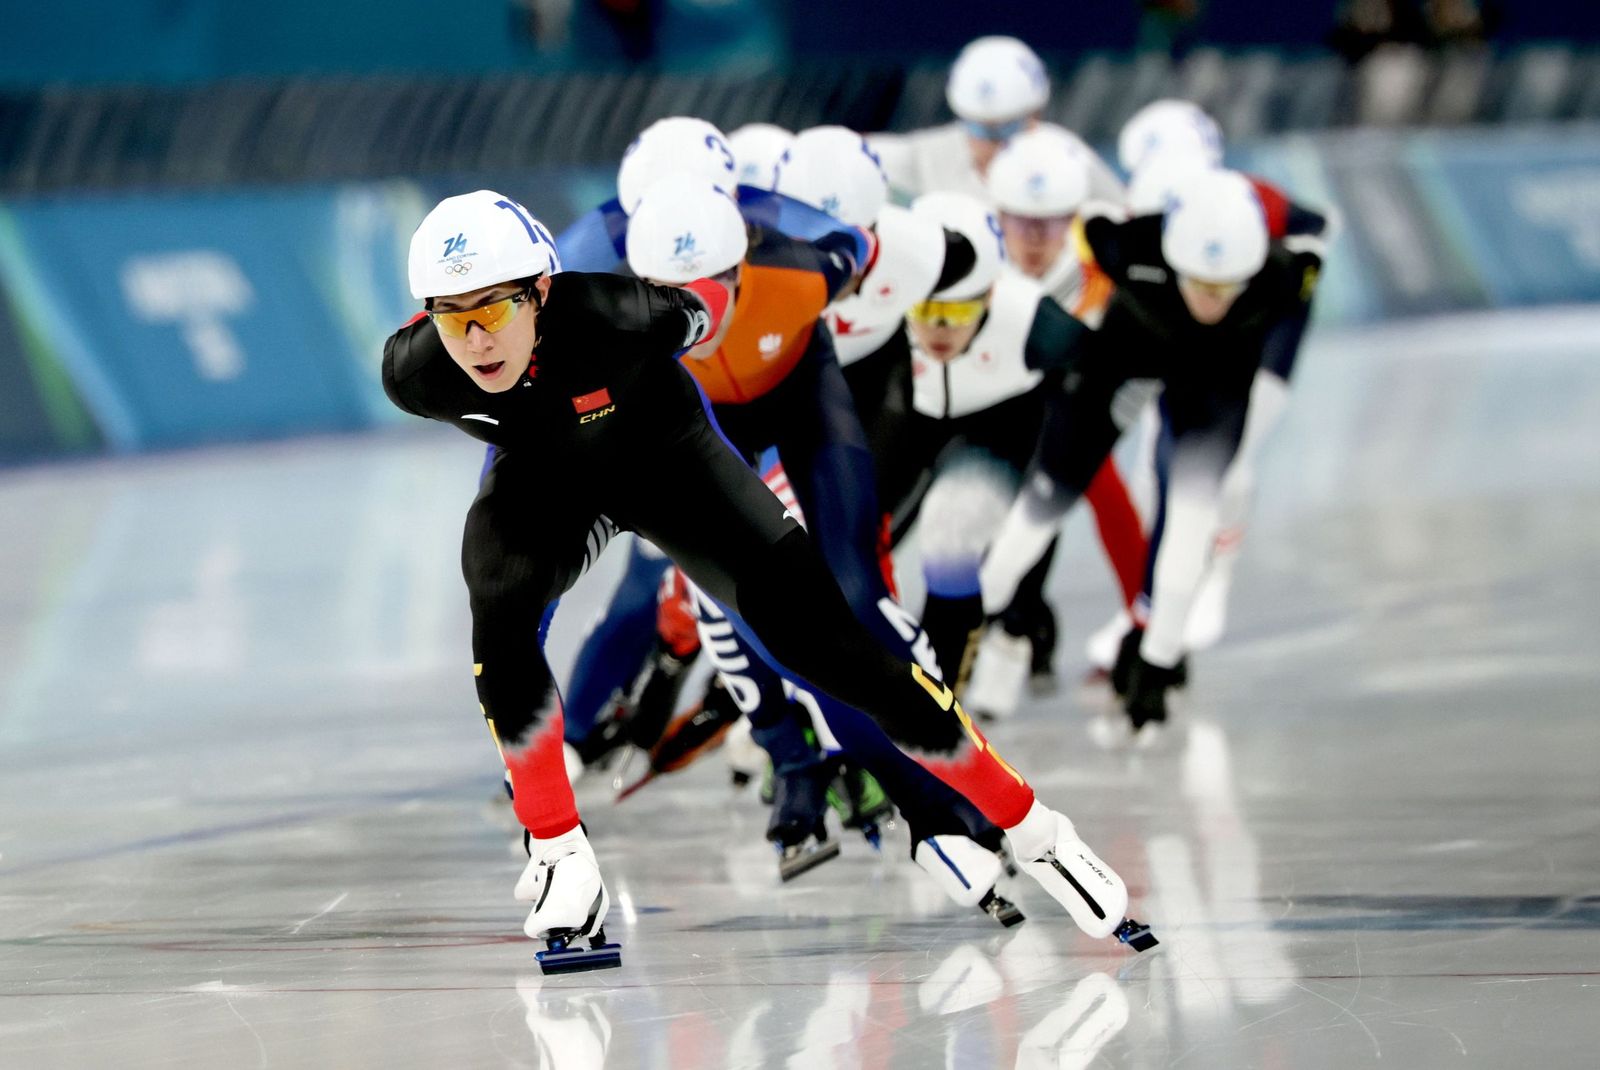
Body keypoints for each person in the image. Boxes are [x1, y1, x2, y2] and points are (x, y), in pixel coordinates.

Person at [384, 188, 1156, 971]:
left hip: (673, 472)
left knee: (841, 652)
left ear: (542, 292)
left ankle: (1035, 830)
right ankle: (558, 851)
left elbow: (712, 299)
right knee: (498, 607)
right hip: (546, 483)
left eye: (493, 310)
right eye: (453, 316)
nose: (476, 339)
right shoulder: (415, 374)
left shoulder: (624, 315)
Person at [979, 170, 1323, 744]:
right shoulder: (1131, 243)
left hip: (1211, 391)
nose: (1211, 301)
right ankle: (961, 634)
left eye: (1226, 287)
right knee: (1034, 516)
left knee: (1190, 530)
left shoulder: (1279, 275)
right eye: (1199, 284)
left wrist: (1159, 657)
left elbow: (1315, 240)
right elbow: (1089, 213)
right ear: (1171, 258)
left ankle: (1158, 661)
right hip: (1117, 370)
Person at [867, 35, 1123, 203]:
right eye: (980, 130)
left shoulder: (1071, 159)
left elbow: (1124, 214)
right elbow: (851, 151)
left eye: (1009, 129)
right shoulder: (931, 154)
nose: (996, 145)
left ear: (1036, 116)